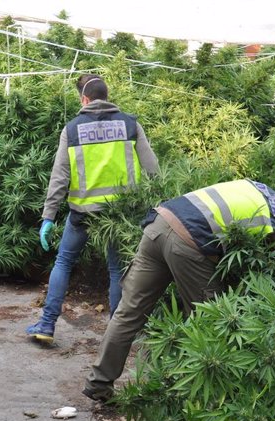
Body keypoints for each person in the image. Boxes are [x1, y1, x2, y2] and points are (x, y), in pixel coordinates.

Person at [82, 179, 275, 401]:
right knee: (211, 321)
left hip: (158, 223)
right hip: (187, 242)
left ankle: (98, 384)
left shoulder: (256, 187)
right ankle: (194, 397)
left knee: (128, 313)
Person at [26, 74, 159, 344]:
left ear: (84, 100)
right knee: (115, 271)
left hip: (82, 216)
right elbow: (153, 170)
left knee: (63, 262)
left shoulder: (72, 129)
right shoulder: (131, 124)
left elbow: (60, 176)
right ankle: (117, 333)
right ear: (107, 97)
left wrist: (48, 217)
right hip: (118, 215)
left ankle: (47, 325)